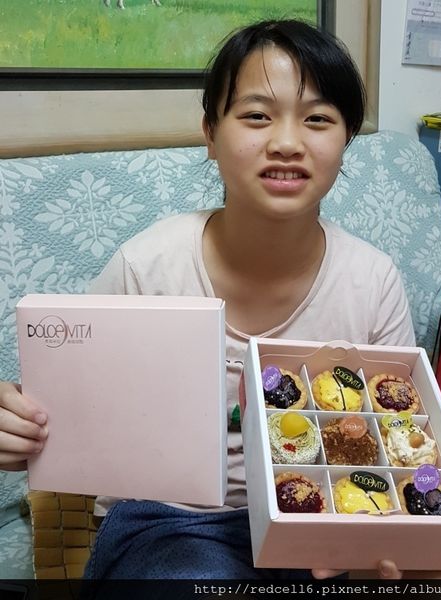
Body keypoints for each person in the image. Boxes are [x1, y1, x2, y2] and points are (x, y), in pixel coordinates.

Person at [0, 19, 410, 580]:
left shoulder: (373, 281)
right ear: (210, 135)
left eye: (317, 119)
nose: (287, 142)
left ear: (346, 140)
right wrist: (21, 427)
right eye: (257, 116)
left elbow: (396, 436)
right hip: (167, 523)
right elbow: (67, 413)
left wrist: (385, 543)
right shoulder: (146, 267)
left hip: (322, 521)